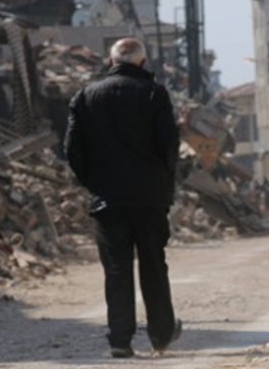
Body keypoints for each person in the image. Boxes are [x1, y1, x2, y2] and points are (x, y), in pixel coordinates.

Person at [64, 38, 182, 358]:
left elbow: (72, 150)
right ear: (142, 63)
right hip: (149, 199)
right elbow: (169, 145)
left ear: (110, 61)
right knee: (154, 266)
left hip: (108, 201)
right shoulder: (155, 94)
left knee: (117, 270)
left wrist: (94, 183)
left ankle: (120, 340)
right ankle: (160, 335)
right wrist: (163, 183)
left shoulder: (85, 96)